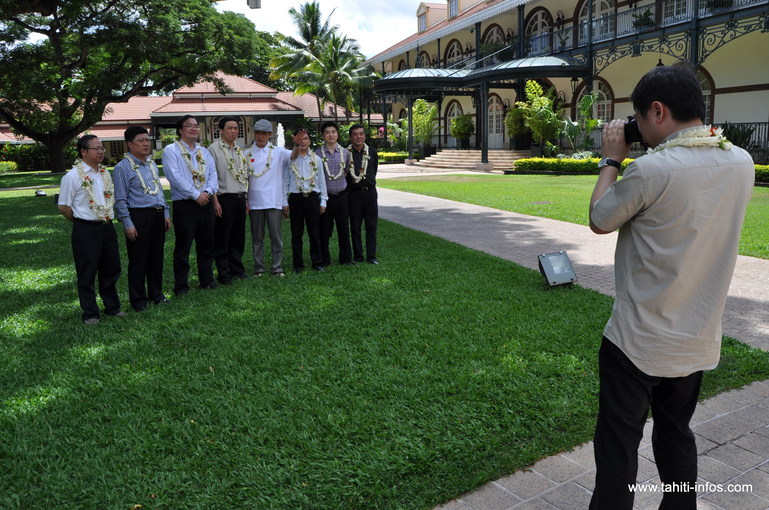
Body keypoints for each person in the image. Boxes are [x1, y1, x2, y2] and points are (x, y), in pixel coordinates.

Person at [588, 63, 754, 510]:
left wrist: (611, 160)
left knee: (618, 447)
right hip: (696, 338)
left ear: (657, 111)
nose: (636, 129)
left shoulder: (652, 171)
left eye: (639, 118)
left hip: (637, 341)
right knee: (676, 434)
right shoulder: (742, 163)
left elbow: (600, 219)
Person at [58, 135, 125, 324]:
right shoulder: (72, 177)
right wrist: (81, 221)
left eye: (102, 148)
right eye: (96, 148)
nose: (101, 151)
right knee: (87, 271)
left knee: (111, 268)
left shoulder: (104, 173)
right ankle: (90, 313)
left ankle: (112, 307)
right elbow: (64, 207)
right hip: (86, 229)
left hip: (106, 226)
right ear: (84, 151)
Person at [113, 126, 171, 311]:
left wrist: (166, 213)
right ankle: (138, 300)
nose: (146, 144)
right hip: (138, 216)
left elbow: (159, 191)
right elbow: (120, 200)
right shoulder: (122, 168)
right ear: (130, 144)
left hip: (157, 214)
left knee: (157, 257)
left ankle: (157, 295)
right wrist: (128, 224)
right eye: (141, 140)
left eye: (147, 140)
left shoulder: (152, 164)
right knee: (139, 260)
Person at [162, 115, 218, 295]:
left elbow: (213, 174)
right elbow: (174, 177)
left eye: (196, 126)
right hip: (185, 205)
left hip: (206, 203)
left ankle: (207, 280)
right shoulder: (171, 150)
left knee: (207, 244)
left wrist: (207, 193)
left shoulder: (204, 151)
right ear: (180, 130)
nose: (194, 129)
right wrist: (195, 195)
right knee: (183, 247)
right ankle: (181, 286)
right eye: (189, 126)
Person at [247, 119, 292, 277]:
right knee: (257, 238)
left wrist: (298, 145)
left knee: (275, 236)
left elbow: (293, 156)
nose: (260, 136)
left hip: (273, 201)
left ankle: (277, 268)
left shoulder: (278, 152)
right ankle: (259, 268)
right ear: (254, 133)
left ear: (270, 135)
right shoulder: (246, 153)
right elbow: (243, 179)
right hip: (254, 202)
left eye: (264, 133)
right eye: (258, 133)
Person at [209, 116, 248, 284]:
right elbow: (211, 177)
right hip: (223, 199)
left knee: (238, 237)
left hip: (240, 198)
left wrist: (245, 200)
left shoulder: (239, 150)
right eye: (230, 128)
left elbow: (242, 178)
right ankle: (224, 274)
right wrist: (215, 201)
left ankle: (237, 269)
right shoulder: (213, 149)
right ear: (221, 130)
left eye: (236, 128)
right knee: (223, 237)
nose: (234, 131)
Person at [282, 129, 327, 272]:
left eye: (306, 138)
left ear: (310, 141)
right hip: (296, 198)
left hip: (312, 197)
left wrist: (323, 200)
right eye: (299, 139)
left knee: (314, 232)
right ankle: (298, 264)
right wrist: (284, 202)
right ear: (295, 141)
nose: (303, 141)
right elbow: (285, 181)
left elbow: (322, 181)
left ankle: (317, 262)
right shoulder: (290, 159)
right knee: (297, 233)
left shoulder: (316, 159)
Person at [316, 121, 352, 267]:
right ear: (323, 135)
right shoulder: (317, 154)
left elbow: (348, 172)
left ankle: (346, 259)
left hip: (342, 197)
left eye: (333, 132)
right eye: (327, 132)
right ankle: (324, 259)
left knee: (344, 229)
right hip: (325, 198)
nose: (331, 135)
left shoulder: (345, 153)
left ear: (337, 134)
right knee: (324, 231)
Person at [347, 124, 379, 264]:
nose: (358, 137)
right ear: (350, 137)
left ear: (365, 136)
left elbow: (374, 169)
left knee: (371, 226)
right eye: (355, 134)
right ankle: (358, 256)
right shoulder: (345, 153)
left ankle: (371, 256)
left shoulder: (372, 152)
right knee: (355, 226)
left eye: (361, 134)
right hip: (354, 194)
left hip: (370, 193)